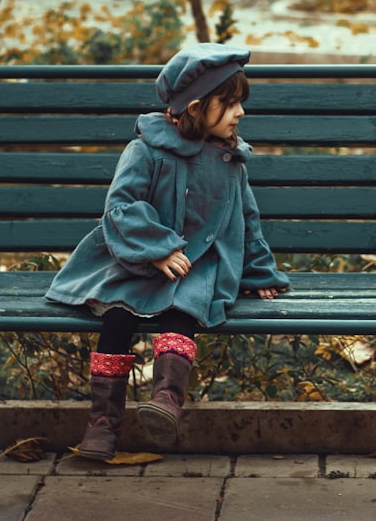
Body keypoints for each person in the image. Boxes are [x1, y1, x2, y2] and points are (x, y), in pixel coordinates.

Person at [45, 43, 290, 461]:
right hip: (134, 262)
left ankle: (166, 401)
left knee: (185, 312)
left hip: (193, 269)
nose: (240, 113)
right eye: (230, 104)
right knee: (118, 317)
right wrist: (157, 249)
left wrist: (260, 274)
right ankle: (102, 425)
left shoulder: (230, 161)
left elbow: (247, 221)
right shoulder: (146, 150)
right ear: (196, 107)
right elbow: (120, 205)